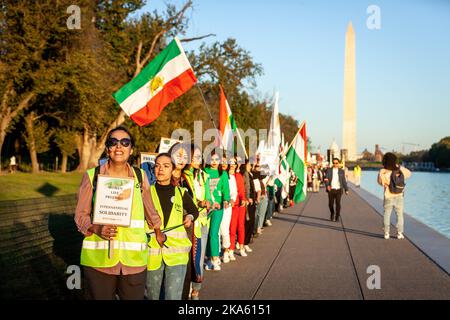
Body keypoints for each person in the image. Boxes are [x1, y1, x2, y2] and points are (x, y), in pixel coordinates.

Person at [74, 126, 163, 300]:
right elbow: (80, 215)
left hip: (134, 262)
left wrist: (158, 232)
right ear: (107, 148)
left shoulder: (141, 176)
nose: (119, 146)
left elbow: (150, 211)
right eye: (113, 142)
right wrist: (96, 228)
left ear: (131, 149)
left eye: (125, 142)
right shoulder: (92, 176)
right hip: (99, 262)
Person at [146, 152, 199, 300]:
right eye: (157, 166)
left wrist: (189, 217)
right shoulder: (146, 193)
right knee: (152, 297)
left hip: (177, 255)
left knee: (173, 297)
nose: (160, 169)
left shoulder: (181, 193)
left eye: (165, 166)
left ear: (173, 170)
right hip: (152, 253)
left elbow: (194, 211)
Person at [183, 144, 212, 300]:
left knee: (199, 257)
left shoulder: (203, 175)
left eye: (199, 157)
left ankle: (196, 289)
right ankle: (186, 288)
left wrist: (209, 202)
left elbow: (208, 195)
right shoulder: (183, 176)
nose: (198, 160)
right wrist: (198, 203)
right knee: (189, 258)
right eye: (194, 157)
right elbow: (187, 199)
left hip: (202, 222)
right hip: (188, 223)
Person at [204, 150, 230, 271]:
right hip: (206, 206)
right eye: (212, 159)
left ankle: (215, 258)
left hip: (218, 207)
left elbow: (226, 189)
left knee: (214, 232)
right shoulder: (204, 172)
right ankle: (208, 257)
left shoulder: (223, 173)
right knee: (206, 232)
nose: (214, 162)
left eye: (216, 159)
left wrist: (226, 199)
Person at [378, 153, 411, 240]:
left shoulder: (383, 171)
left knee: (387, 215)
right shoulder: (400, 170)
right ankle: (399, 233)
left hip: (388, 195)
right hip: (399, 195)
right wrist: (399, 167)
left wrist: (383, 175)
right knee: (399, 215)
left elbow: (380, 182)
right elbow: (409, 174)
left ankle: (386, 233)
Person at [228, 156, 247, 259]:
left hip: (239, 205)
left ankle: (241, 247)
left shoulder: (238, 176)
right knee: (232, 228)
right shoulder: (225, 175)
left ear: (236, 165)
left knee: (240, 226)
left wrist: (243, 199)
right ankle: (230, 249)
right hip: (231, 205)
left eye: (234, 163)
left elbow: (241, 190)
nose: (232, 165)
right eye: (230, 162)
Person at [324, 158, 349, 222]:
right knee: (330, 204)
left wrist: (346, 189)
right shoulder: (329, 170)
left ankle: (337, 216)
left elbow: (344, 181)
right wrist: (327, 186)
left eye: (336, 163)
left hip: (339, 189)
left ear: (338, 163)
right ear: (333, 163)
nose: (335, 164)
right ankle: (332, 213)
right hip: (331, 189)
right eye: (334, 163)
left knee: (338, 204)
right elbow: (326, 179)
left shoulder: (341, 171)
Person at [219, 156, 233, 264]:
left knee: (224, 229)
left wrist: (230, 199)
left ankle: (226, 250)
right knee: (215, 231)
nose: (223, 164)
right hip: (216, 206)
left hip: (226, 207)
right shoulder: (214, 174)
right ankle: (215, 253)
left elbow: (234, 192)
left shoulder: (230, 177)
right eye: (222, 162)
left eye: (225, 162)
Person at [243, 158, 256, 254]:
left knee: (251, 222)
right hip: (247, 202)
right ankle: (243, 243)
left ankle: (246, 242)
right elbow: (244, 188)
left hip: (252, 201)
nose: (250, 167)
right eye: (249, 165)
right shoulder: (244, 175)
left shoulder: (250, 174)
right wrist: (247, 198)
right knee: (247, 223)